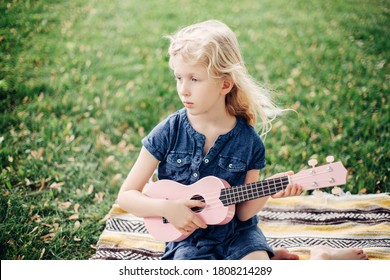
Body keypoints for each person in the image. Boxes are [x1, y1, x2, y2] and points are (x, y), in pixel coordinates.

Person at [118, 19, 368, 260]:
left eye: (194, 79)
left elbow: (245, 211)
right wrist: (166, 208)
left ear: (225, 84)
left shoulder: (248, 142)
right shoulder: (168, 131)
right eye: (178, 77)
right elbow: (127, 194)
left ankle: (317, 257)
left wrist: (271, 189)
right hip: (189, 240)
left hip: (238, 236)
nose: (183, 89)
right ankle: (275, 259)